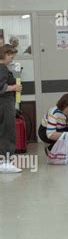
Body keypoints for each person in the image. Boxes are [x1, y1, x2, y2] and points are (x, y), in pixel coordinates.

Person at [0, 44, 22, 174]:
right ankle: (5, 163)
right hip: (5, 104)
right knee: (8, 133)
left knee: (2, 132)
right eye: (11, 56)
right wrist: (14, 88)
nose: (12, 59)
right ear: (6, 54)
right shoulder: (2, 68)